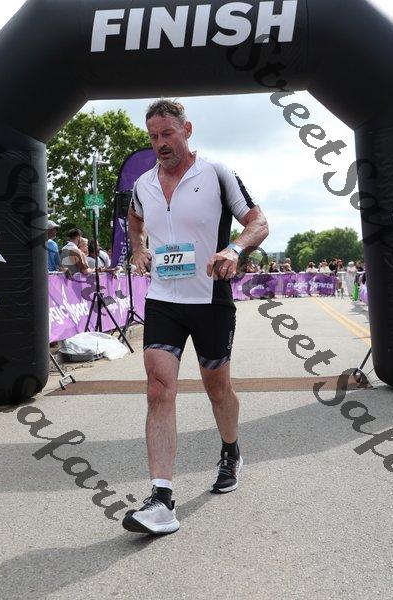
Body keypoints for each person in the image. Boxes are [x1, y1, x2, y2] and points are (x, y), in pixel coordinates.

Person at [122, 99, 268, 536]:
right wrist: (138, 249)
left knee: (217, 389)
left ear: (187, 130)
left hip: (210, 298)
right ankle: (161, 499)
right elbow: (134, 220)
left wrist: (234, 249)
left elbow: (258, 222)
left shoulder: (217, 174)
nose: (160, 143)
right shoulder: (143, 184)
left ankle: (231, 451)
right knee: (158, 388)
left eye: (167, 134)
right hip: (163, 299)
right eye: (153, 137)